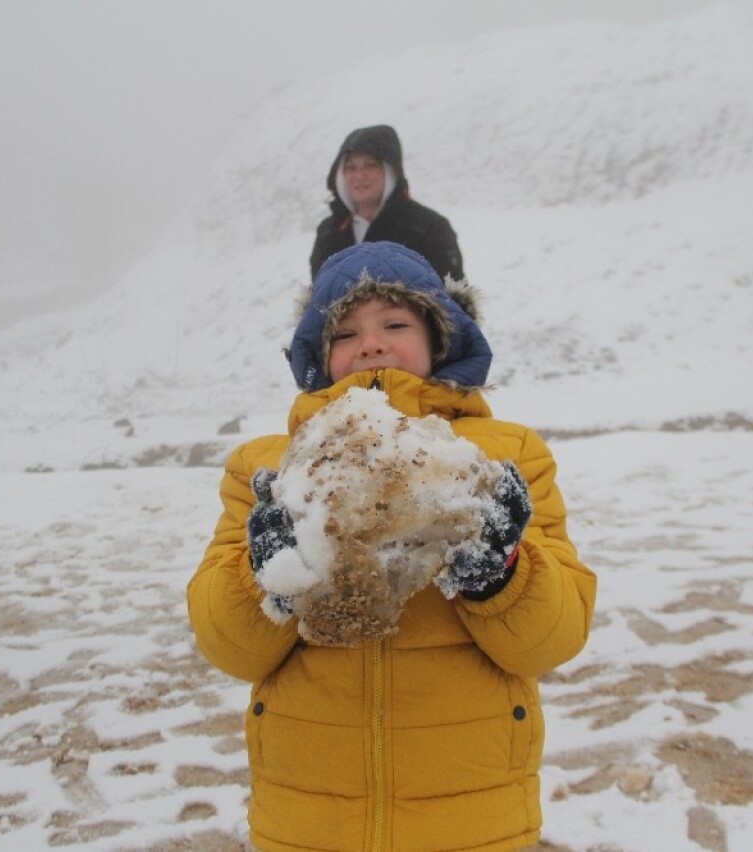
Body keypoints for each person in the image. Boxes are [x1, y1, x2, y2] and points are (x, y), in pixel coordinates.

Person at [188, 241, 596, 851]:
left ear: (440, 339)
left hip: (470, 816)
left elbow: (552, 640)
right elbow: (231, 649)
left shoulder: (505, 455)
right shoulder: (268, 469)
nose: (371, 343)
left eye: (395, 324)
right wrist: (267, 578)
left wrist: (501, 573)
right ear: (320, 358)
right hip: (309, 818)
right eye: (345, 332)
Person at [309, 124, 466, 284]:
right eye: (351, 167)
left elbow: (453, 301)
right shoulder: (329, 233)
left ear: (390, 171)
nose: (359, 176)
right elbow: (317, 300)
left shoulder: (428, 228)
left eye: (370, 165)